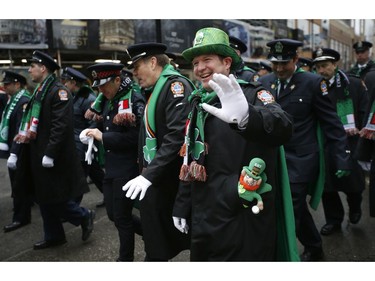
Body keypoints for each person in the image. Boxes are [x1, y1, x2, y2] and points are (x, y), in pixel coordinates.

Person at [172, 27, 297, 261]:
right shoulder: (198, 101)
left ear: (227, 62)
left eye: (207, 59)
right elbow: (191, 157)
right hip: (205, 216)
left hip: (241, 217)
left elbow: (283, 126)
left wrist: (247, 117)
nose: (200, 68)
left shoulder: (251, 94)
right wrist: (182, 204)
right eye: (196, 62)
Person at [259, 39, 351, 261]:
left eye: (284, 63)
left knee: (291, 205)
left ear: (295, 60)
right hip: (271, 158)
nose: (279, 69)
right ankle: (314, 244)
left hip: (300, 159)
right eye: (275, 64)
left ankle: (279, 254)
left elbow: (332, 124)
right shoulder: (265, 82)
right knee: (294, 208)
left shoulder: (313, 83)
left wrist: (342, 157)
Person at [10, 50, 95, 249]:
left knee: (54, 197)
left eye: (32, 66)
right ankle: (54, 235)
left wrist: (50, 153)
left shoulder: (58, 91)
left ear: (43, 68)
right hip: (37, 152)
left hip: (53, 155)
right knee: (42, 196)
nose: (29, 70)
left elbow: (61, 125)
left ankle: (83, 215)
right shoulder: (40, 91)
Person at [122, 42, 194, 261]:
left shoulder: (175, 87)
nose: (134, 74)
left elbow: (176, 138)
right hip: (157, 178)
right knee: (156, 242)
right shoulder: (156, 89)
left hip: (166, 181)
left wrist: (148, 176)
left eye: (137, 67)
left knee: (158, 246)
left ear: (153, 62)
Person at [81, 62, 145, 261]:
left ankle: (124, 259)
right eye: (97, 86)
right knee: (112, 214)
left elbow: (137, 137)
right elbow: (102, 121)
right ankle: (152, 233)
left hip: (127, 167)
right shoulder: (107, 98)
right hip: (110, 166)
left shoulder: (133, 98)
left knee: (122, 217)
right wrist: (90, 130)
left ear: (117, 80)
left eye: (103, 85)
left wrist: (103, 137)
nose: (100, 90)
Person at [312, 47, 368, 235]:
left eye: (325, 66)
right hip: (324, 141)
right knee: (327, 184)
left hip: (350, 140)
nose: (321, 71)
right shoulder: (314, 85)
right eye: (318, 67)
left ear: (335, 65)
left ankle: (355, 205)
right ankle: (333, 220)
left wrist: (362, 133)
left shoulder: (351, 84)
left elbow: (363, 109)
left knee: (353, 181)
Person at [60, 67, 105, 207]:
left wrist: (86, 139)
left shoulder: (88, 99)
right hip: (76, 144)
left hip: (84, 145)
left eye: (65, 82)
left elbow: (94, 121)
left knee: (79, 176)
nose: (64, 85)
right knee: (95, 172)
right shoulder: (74, 97)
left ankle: (73, 209)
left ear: (73, 83)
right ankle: (111, 196)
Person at [0, 71, 33, 232]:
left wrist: (14, 153)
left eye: (7, 84)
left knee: (19, 185)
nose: (4, 87)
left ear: (17, 84)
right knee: (22, 184)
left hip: (21, 150)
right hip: (18, 149)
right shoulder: (13, 100)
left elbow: (22, 129)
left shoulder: (22, 102)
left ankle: (21, 217)